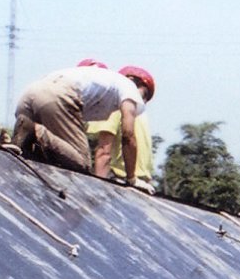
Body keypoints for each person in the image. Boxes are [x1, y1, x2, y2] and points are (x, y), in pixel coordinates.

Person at [13, 62, 155, 181]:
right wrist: (131, 179)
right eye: (145, 97)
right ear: (141, 87)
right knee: (81, 163)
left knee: (29, 154)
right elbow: (128, 134)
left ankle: (5, 140)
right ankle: (35, 130)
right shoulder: (128, 88)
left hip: (29, 94)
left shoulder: (98, 81)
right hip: (57, 95)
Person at [86, 105, 155, 191]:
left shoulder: (126, 107)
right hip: (128, 183)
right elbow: (104, 152)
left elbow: (104, 152)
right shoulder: (118, 105)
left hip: (133, 184)